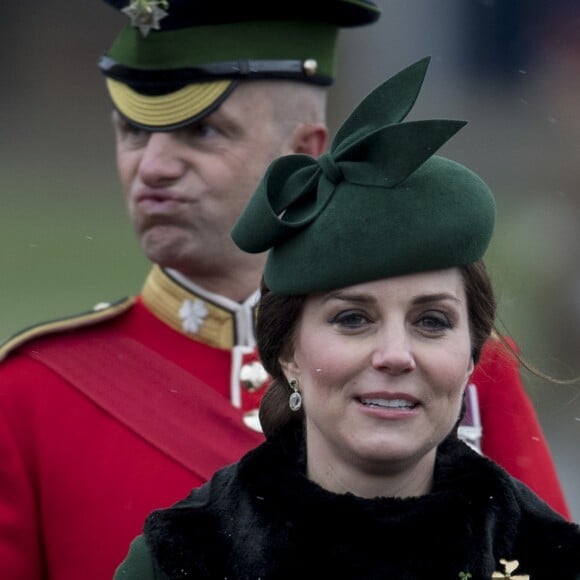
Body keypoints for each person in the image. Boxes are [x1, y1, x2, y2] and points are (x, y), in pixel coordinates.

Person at [115, 58, 580, 580]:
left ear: (472, 354)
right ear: (287, 350)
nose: (395, 355)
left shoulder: (552, 560)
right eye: (353, 319)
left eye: (431, 322)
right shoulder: (183, 558)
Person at [0, 2, 381, 579]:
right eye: (133, 131)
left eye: (202, 131)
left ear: (302, 153)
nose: (152, 166)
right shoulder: (30, 396)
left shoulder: (451, 375)